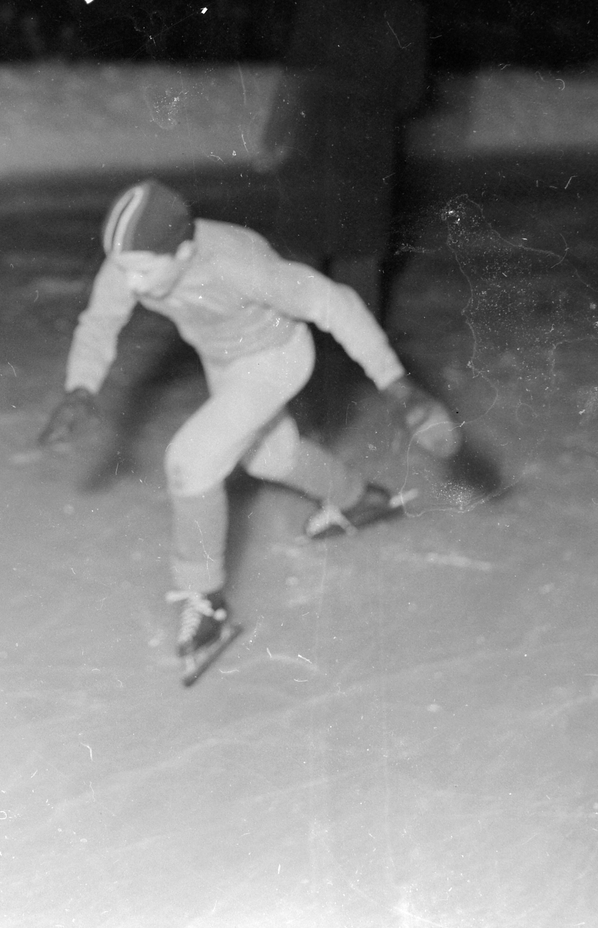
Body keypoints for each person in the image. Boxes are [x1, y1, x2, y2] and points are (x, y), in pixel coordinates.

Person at [38, 180, 458, 678]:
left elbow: (335, 302)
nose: (128, 283)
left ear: (184, 251)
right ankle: (354, 497)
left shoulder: (238, 266)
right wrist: (80, 387)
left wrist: (396, 386)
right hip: (224, 360)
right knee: (266, 456)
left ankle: (207, 602)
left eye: (142, 272)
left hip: (275, 358)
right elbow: (100, 321)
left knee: (190, 463)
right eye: (123, 270)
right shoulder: (131, 261)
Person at [263, 0, 427, 320]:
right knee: (359, 260)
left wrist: (273, 138)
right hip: (370, 156)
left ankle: (290, 351)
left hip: (314, 149)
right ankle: (363, 359)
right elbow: (411, 96)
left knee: (301, 256)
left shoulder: (317, 5)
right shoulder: (407, 13)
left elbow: (294, 82)